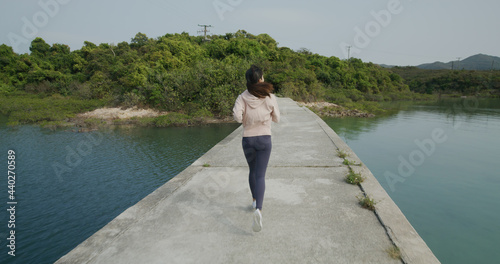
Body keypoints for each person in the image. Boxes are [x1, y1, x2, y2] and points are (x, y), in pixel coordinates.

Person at [233, 65, 280, 232]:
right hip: (264, 139)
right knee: (261, 175)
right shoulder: (269, 96)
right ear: (261, 79)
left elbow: (237, 117)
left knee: (252, 171)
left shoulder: (242, 97)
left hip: (248, 140)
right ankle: (258, 208)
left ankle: (253, 200)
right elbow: (277, 118)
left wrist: (247, 119)